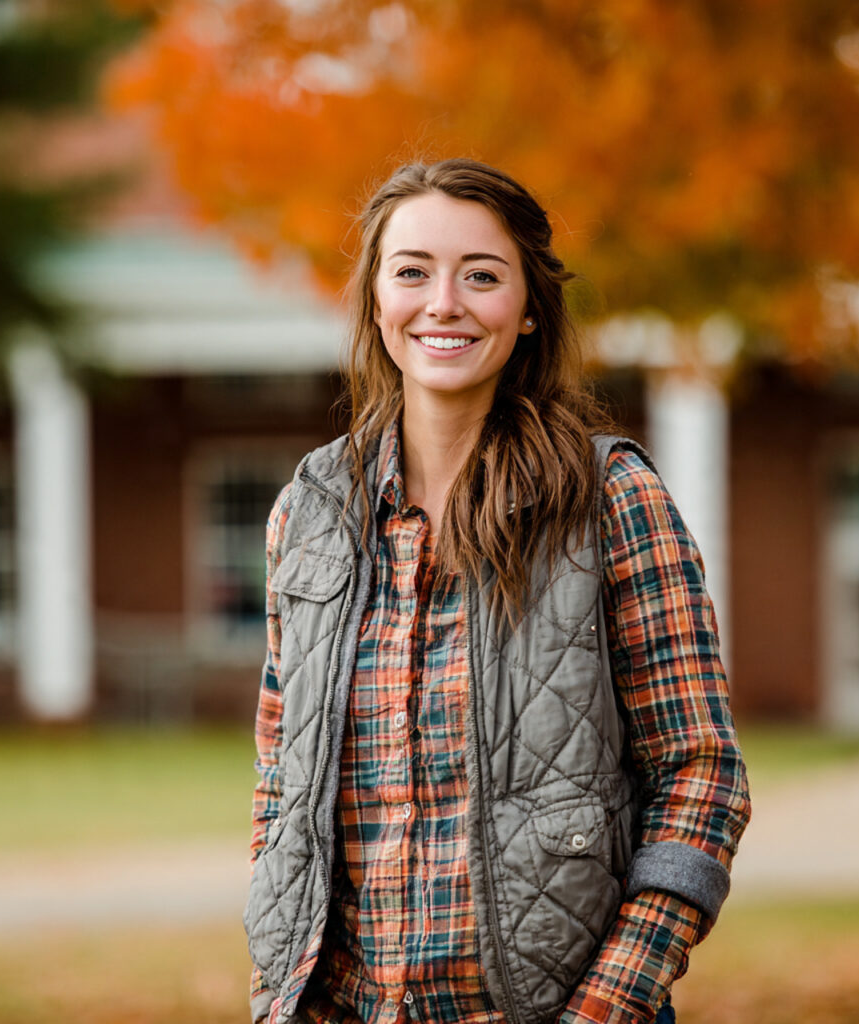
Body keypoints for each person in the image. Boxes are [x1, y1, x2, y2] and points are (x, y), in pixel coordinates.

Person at [244, 158, 751, 1024]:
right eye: (412, 272)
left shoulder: (611, 499)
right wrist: (276, 990)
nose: (444, 303)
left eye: (481, 275)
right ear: (377, 301)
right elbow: (279, 787)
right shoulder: (311, 512)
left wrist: (604, 1008)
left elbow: (700, 777)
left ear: (525, 312)